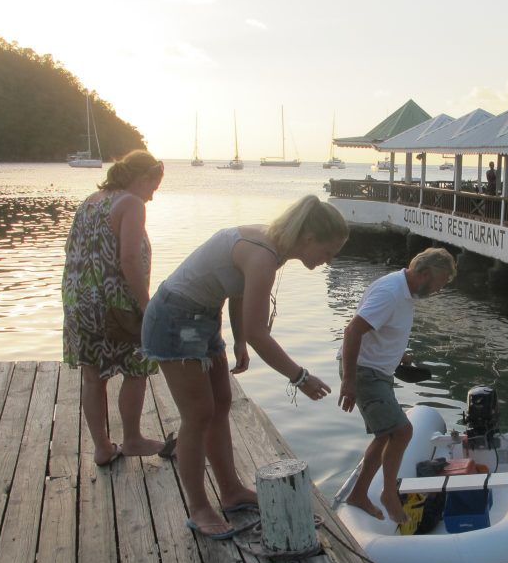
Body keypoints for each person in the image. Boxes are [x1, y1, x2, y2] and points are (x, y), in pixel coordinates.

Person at [142, 195, 349, 539]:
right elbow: (260, 333)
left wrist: (237, 339)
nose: (328, 261)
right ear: (310, 238)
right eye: (329, 252)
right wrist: (300, 377)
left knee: (221, 404)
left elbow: (238, 292)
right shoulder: (264, 255)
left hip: (202, 317)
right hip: (174, 318)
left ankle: (231, 491)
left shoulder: (272, 246)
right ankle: (198, 508)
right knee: (197, 415)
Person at [62, 150, 171, 467]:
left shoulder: (91, 201)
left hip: (79, 301)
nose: (152, 196)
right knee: (137, 367)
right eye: (153, 187)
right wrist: (145, 303)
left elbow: (76, 250)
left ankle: (102, 448)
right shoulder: (131, 203)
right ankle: (133, 438)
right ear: (142, 178)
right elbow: (129, 259)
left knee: (93, 376)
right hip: (114, 302)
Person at [337, 248, 457, 524]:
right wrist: (349, 381)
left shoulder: (405, 291)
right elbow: (352, 331)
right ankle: (389, 495)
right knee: (402, 432)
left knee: (384, 436)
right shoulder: (391, 292)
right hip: (365, 371)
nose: (439, 290)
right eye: (440, 283)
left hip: (379, 369)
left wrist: (397, 352)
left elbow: (381, 327)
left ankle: (358, 494)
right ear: (425, 274)